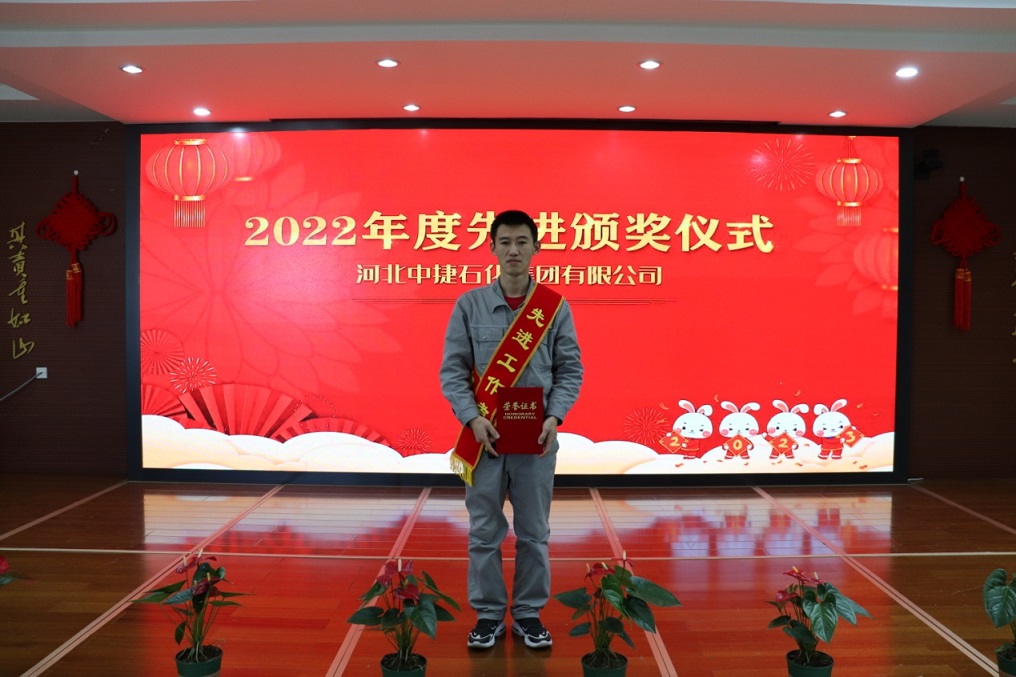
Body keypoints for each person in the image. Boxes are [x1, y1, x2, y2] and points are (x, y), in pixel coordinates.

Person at [440, 209, 583, 650]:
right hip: (484, 441)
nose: (514, 250)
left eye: (522, 241)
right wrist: (472, 417)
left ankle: (527, 613)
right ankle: (488, 615)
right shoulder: (469, 305)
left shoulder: (554, 308)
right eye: (505, 242)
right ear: (492, 248)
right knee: (484, 532)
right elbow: (453, 372)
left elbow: (570, 370)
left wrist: (554, 417)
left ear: (536, 247)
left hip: (536, 441)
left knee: (534, 533)